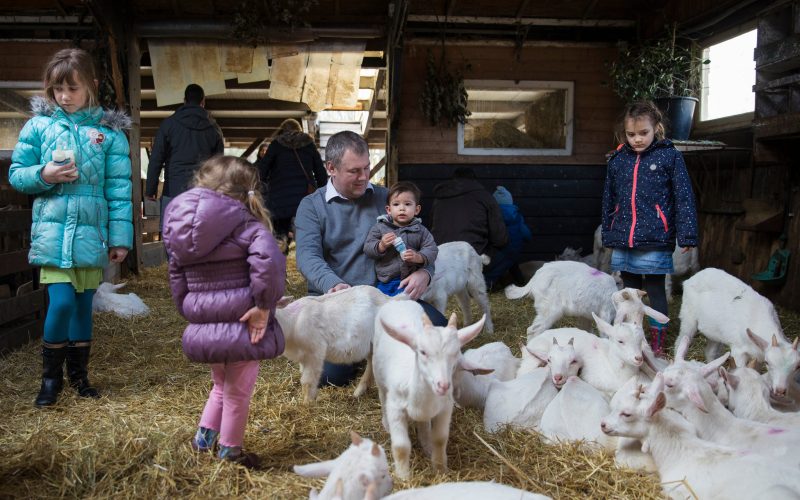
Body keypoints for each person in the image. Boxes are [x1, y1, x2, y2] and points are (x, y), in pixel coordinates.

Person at [8, 48, 133, 407]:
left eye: (72, 89)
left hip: (91, 233)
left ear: (92, 86)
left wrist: (121, 239)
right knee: (60, 303)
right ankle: (50, 380)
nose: (64, 97)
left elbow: (119, 191)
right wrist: (44, 175)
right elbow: (18, 174)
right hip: (53, 231)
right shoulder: (39, 127)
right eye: (57, 89)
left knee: (82, 306)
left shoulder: (108, 136)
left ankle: (80, 376)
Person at [162, 156, 286, 468]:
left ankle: (202, 442)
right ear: (248, 192)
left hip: (207, 325)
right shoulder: (250, 226)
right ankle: (231, 451)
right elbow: (268, 266)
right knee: (238, 392)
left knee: (220, 385)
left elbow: (176, 277)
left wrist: (194, 312)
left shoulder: (179, 230)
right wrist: (263, 306)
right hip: (245, 322)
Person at [295, 131, 446, 386]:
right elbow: (307, 256)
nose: (364, 177)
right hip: (339, 304)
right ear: (331, 168)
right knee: (329, 376)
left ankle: (378, 347)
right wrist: (335, 286)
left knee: (439, 330)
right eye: (354, 171)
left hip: (385, 297)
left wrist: (425, 272)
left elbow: (422, 239)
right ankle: (371, 350)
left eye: (366, 168)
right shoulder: (312, 206)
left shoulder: (386, 199)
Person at [601, 101, 698, 356]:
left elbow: (684, 196)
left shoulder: (669, 156)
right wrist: (609, 234)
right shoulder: (618, 160)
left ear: (657, 127)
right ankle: (636, 341)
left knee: (654, 290)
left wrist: (687, 233)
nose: (637, 139)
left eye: (643, 133)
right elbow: (609, 199)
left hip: (656, 237)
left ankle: (658, 344)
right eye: (631, 134)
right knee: (629, 294)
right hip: (625, 237)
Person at [145, 83, 224, 226]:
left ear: (184, 100)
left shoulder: (169, 124)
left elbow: (156, 159)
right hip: (202, 194)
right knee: (200, 240)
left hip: (173, 192)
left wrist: (150, 190)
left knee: (172, 238)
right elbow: (219, 167)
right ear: (203, 102)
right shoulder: (214, 129)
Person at [256, 118, 326, 250]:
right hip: (306, 198)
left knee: (279, 238)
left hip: (279, 199)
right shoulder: (309, 144)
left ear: (281, 131)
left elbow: (262, 171)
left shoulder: (276, 145)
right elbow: (320, 172)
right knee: (307, 238)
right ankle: (307, 265)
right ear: (299, 130)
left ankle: (281, 264)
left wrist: (264, 190)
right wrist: (323, 193)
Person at [363, 181, 438, 297]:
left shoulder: (421, 230)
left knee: (404, 306)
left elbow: (432, 249)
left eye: (407, 204)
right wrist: (381, 245)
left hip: (410, 280)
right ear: (388, 209)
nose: (402, 209)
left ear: (417, 210)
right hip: (385, 280)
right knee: (383, 305)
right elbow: (368, 248)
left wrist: (418, 257)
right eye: (396, 204)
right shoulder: (380, 227)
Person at [430, 166, 508, 260]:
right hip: (472, 256)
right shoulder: (485, 197)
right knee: (508, 253)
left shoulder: (439, 199)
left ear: (453, 180)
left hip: (441, 255)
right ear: (474, 180)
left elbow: (432, 226)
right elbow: (500, 239)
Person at [483, 186, 532, 291]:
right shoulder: (517, 217)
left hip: (497, 250)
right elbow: (527, 235)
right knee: (511, 262)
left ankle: (487, 286)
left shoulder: (490, 216)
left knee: (493, 270)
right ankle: (520, 281)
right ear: (510, 201)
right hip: (513, 251)